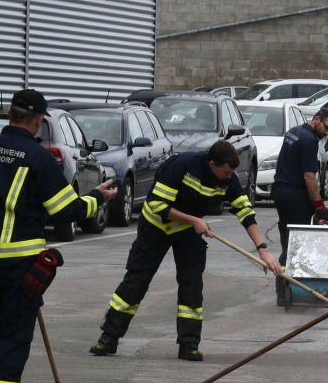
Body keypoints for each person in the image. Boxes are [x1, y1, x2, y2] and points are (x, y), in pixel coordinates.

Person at [0, 89, 117, 383]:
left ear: (9, 116)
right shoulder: (38, 157)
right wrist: (96, 198)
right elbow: (64, 212)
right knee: (13, 335)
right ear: (39, 121)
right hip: (21, 262)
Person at [90, 139, 281, 361]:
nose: (230, 177)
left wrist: (262, 250)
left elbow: (245, 213)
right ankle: (109, 338)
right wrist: (194, 220)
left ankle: (189, 345)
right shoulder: (182, 166)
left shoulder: (228, 180)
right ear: (212, 164)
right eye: (227, 172)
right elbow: (157, 205)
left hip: (188, 229)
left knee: (192, 283)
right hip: (156, 225)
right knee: (137, 280)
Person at [270, 105, 328, 303]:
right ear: (316, 119)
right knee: (297, 245)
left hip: (281, 192)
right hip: (295, 196)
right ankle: (289, 292)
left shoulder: (294, 132)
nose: (327, 133)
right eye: (326, 127)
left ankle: (285, 291)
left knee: (287, 240)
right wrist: (319, 205)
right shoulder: (309, 141)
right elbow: (309, 176)